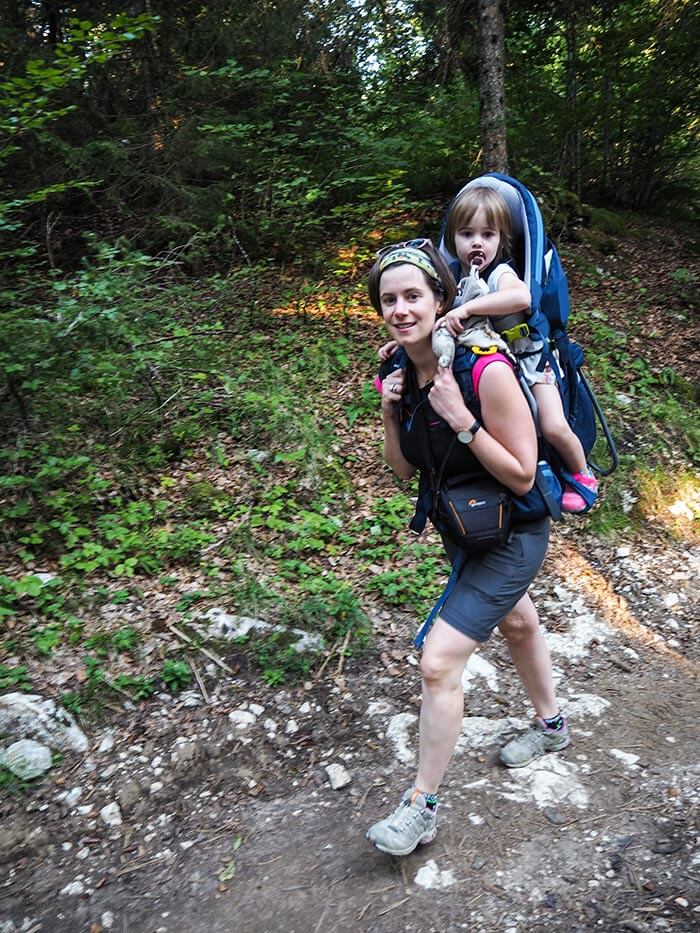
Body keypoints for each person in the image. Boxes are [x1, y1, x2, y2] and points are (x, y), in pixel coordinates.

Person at [366, 239, 570, 857]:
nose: (401, 310)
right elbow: (403, 473)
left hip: (516, 531)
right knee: (517, 620)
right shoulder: (399, 372)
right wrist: (388, 413)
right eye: (389, 300)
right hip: (467, 528)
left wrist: (462, 419)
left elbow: (523, 475)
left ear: (440, 299)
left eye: (413, 296)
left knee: (437, 662)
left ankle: (420, 805)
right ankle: (553, 726)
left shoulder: (486, 367)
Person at [437, 185, 597, 513]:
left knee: (551, 424)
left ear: (501, 238)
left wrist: (467, 309)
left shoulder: (501, 272)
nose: (477, 243)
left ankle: (583, 473)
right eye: (467, 234)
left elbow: (521, 297)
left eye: (487, 234)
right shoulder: (453, 277)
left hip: (531, 360)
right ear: (454, 239)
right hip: (489, 366)